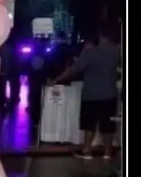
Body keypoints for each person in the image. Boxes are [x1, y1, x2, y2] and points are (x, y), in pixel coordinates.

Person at [50, 25, 120, 159]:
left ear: (100, 35)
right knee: (109, 125)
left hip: (91, 94)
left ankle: (87, 150)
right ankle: (108, 153)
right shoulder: (117, 51)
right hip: (110, 94)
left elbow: (74, 69)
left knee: (89, 124)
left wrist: (56, 80)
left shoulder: (90, 52)